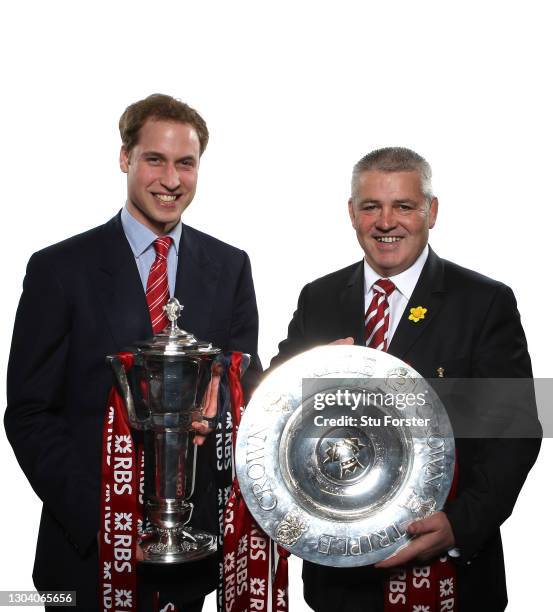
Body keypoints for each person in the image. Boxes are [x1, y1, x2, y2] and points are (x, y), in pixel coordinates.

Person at [5, 94, 261, 611]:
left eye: (185, 163)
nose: (171, 179)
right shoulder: (59, 269)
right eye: (155, 159)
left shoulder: (229, 267)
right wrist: (104, 520)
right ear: (126, 158)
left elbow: (239, 393)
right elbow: (29, 412)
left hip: (191, 554)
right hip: (84, 554)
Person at [270, 147, 540, 611]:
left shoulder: (485, 302)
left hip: (452, 575)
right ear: (352, 213)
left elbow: (516, 431)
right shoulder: (319, 298)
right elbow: (271, 412)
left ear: (431, 212)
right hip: (341, 580)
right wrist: (303, 376)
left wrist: (460, 525)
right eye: (371, 206)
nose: (386, 221)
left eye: (404, 206)